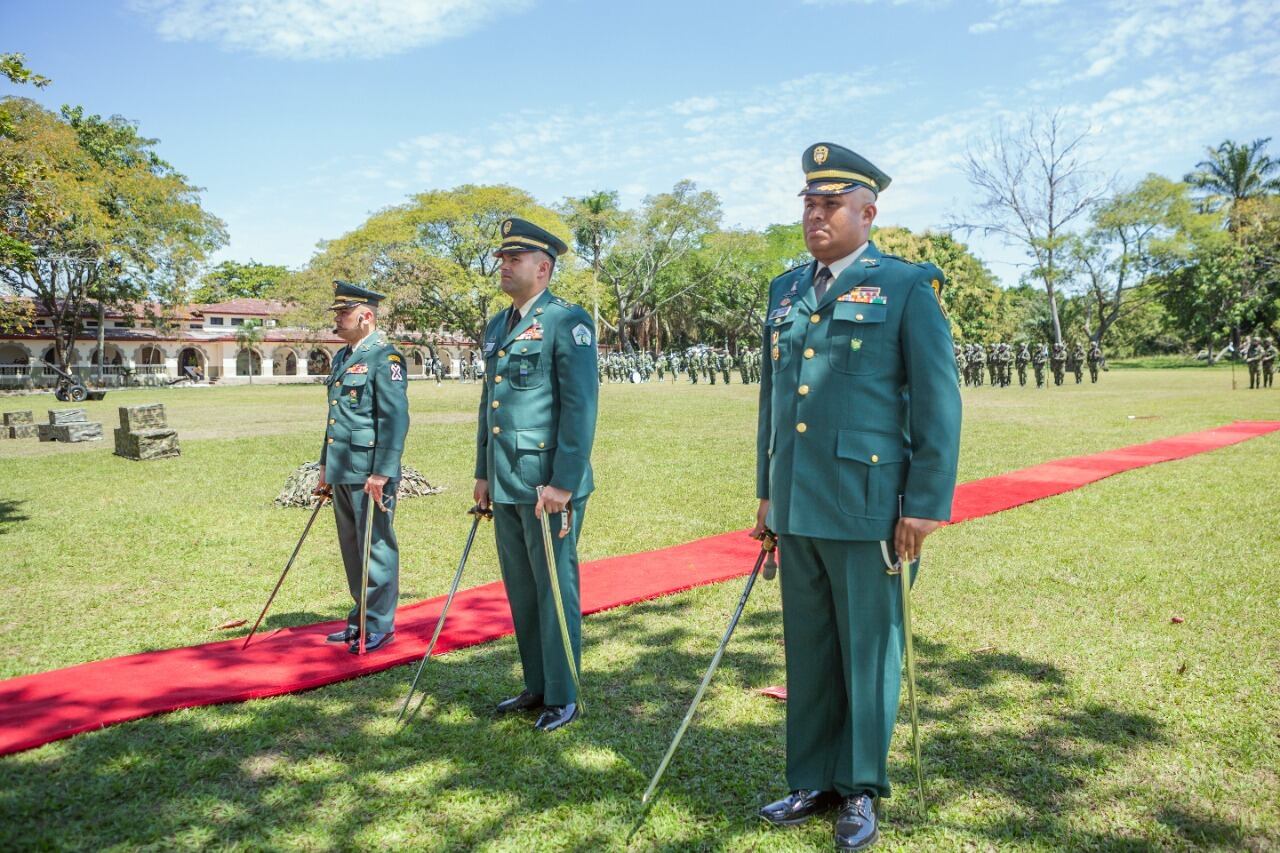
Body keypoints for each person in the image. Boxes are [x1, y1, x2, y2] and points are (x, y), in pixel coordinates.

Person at [752, 143, 961, 851]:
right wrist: (765, 493)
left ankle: (861, 787)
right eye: (809, 202)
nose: (816, 214)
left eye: (831, 203)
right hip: (798, 503)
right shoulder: (786, 289)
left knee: (869, 650)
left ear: (868, 212)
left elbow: (939, 401)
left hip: (870, 503)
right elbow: (774, 404)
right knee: (809, 648)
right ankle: (812, 777)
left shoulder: (904, 286)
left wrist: (926, 502)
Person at [473, 217, 598, 733]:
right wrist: (482, 472)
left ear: (543, 268)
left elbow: (580, 408)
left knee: (553, 586)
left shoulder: (567, 322)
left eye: (514, 259)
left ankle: (564, 693)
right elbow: (490, 404)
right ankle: (537, 683)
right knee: (522, 587)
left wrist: (564, 483)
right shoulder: (498, 325)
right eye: (502, 258)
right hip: (507, 478)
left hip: (548, 482)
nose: (503, 265)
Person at [315, 281, 409, 654]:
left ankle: (380, 625)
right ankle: (360, 618)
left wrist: (383, 472)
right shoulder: (343, 357)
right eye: (337, 312)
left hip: (371, 470)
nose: (337, 319)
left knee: (377, 547)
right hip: (343, 466)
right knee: (353, 549)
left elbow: (395, 419)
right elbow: (335, 419)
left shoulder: (385, 359)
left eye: (343, 313)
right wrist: (325, 465)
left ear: (366, 317)